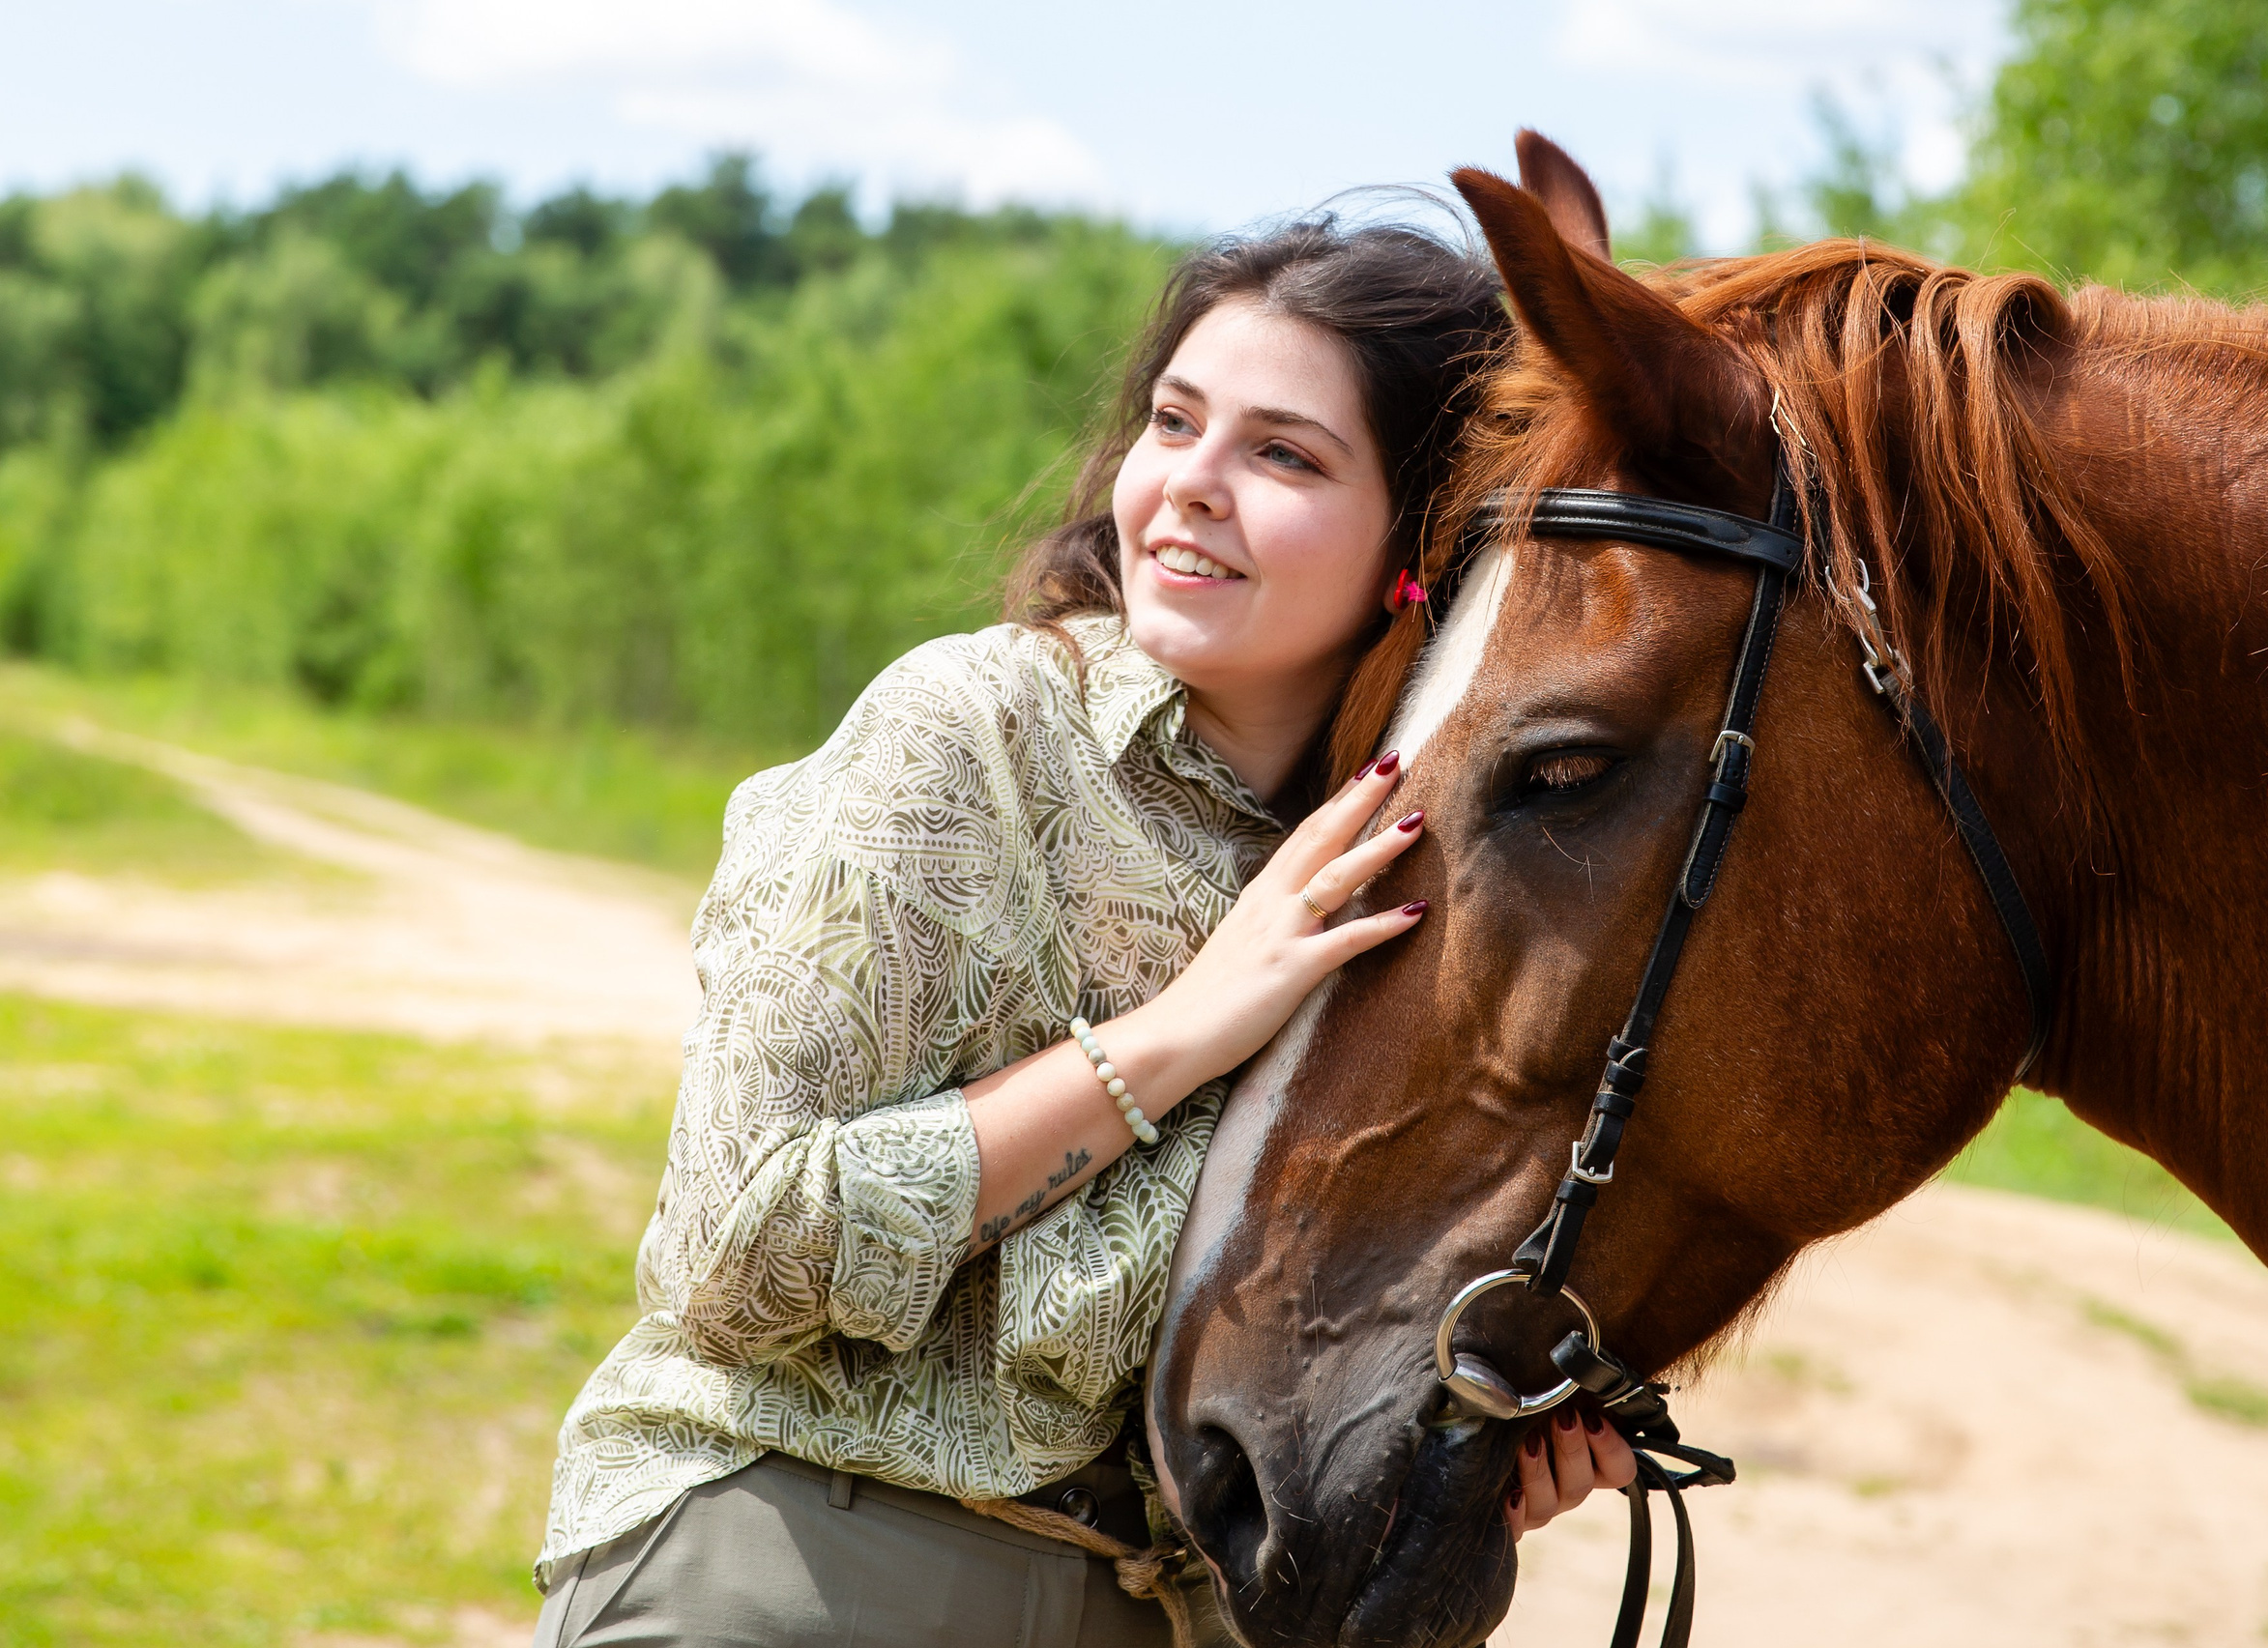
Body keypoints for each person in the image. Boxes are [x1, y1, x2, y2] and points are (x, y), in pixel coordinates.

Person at [529, 214, 1636, 1648]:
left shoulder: (1427, 880)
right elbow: (739, 1250)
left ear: (1420, 543)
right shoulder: (973, 735)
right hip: (802, 1549)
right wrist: (1176, 1038)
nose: (1191, 484)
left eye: (1285, 455)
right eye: (1174, 421)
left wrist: (1468, 1460)